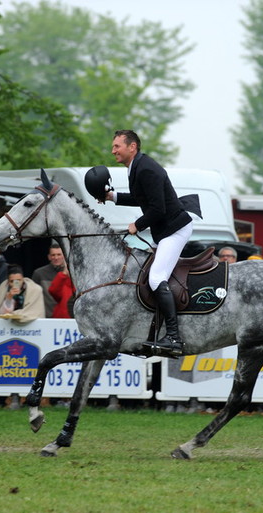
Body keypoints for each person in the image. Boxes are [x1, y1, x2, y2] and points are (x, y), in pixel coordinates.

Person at [100, 130, 200, 356]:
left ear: (132, 146)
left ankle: (174, 337)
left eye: (117, 146)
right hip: (165, 230)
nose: (113, 150)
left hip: (175, 230)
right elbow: (140, 198)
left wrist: (138, 223)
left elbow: (158, 209)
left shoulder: (146, 168)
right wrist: (112, 197)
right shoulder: (137, 166)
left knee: (156, 278)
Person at [31, 242, 66, 318]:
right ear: (49, 257)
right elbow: (33, 297)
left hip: (66, 318)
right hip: (46, 318)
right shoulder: (39, 273)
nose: (56, 258)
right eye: (53, 255)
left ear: (64, 256)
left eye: (59, 254)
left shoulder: (71, 273)